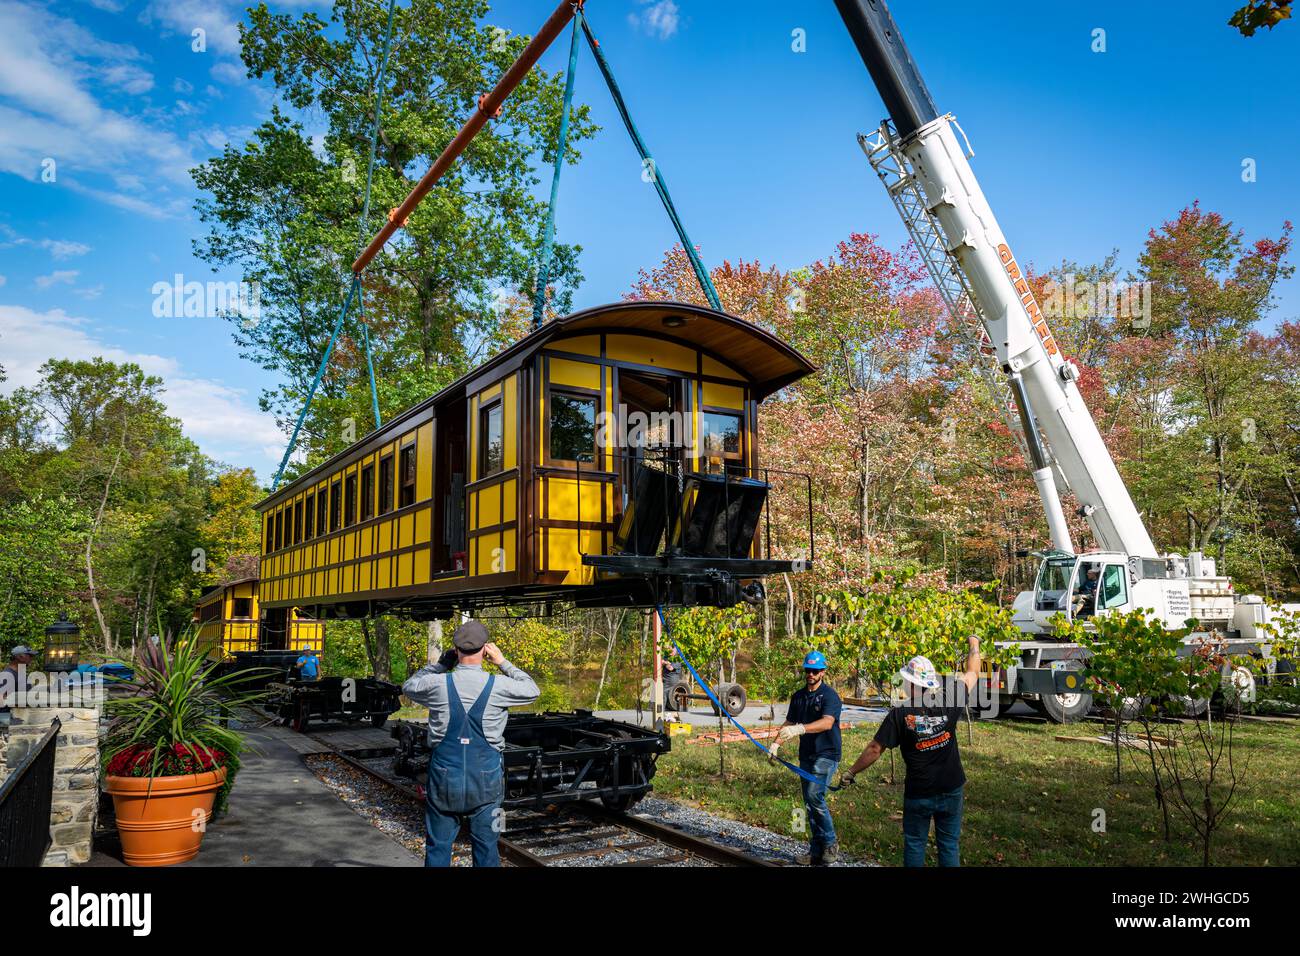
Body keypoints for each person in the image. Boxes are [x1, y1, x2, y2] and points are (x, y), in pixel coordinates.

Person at [402, 619, 539, 867]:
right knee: (488, 848)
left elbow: (409, 686)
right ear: (485, 649)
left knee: (438, 847)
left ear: (456, 651)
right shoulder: (499, 685)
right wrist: (502, 662)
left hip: (444, 779)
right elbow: (532, 689)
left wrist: (441, 665)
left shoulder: (437, 684)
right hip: (487, 782)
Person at [839, 636, 981, 867]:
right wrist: (974, 643)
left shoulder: (900, 714)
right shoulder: (951, 697)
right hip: (951, 787)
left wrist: (851, 772)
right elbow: (973, 673)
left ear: (912, 683)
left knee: (915, 843)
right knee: (949, 844)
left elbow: (875, 749)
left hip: (919, 792)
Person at [769, 650, 842, 865]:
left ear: (823, 672)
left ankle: (830, 843)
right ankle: (816, 851)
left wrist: (801, 729)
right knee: (809, 804)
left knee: (814, 796)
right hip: (807, 756)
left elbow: (827, 722)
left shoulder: (830, 696)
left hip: (827, 754)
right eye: (808, 670)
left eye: (815, 671)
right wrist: (776, 744)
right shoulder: (798, 697)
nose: (811, 674)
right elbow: (789, 723)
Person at [1, 645, 35, 717]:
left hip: (23, 718)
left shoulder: (21, 674)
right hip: (9, 720)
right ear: (20, 657)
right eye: (30, 656)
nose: (32, 658)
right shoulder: (7, 675)